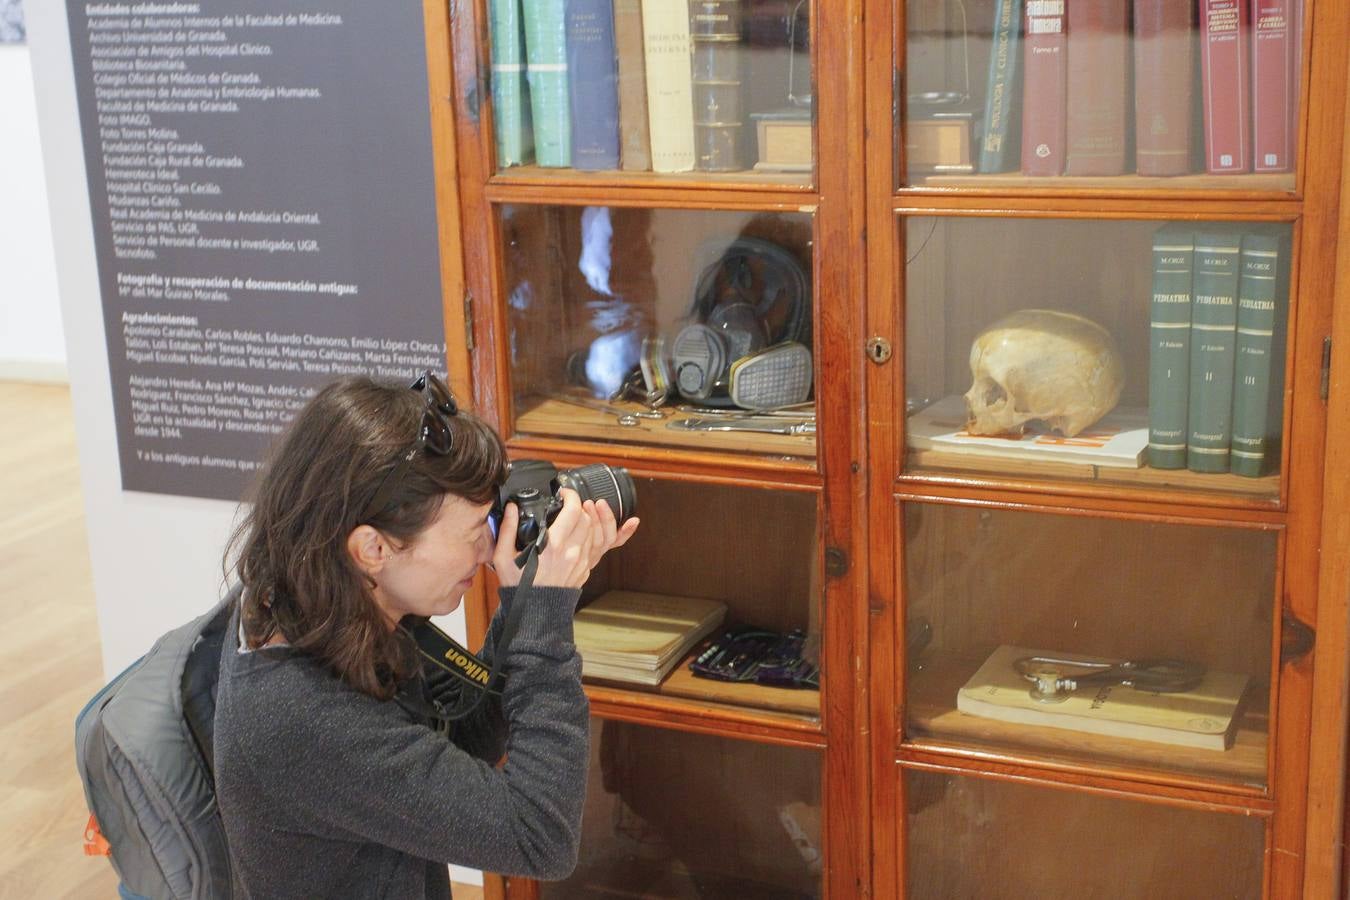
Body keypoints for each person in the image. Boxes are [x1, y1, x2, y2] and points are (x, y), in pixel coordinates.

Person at [213, 371, 638, 899]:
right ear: (373, 549)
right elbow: (540, 837)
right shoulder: (301, 713)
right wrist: (544, 617)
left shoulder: (319, 602)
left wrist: (528, 598)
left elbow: (458, 740)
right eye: (472, 534)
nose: (488, 553)